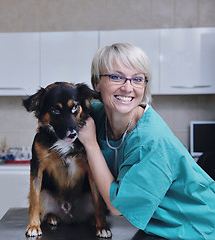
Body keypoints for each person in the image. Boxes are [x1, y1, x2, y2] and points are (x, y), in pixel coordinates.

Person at [78, 43, 215, 239]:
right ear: (96, 83)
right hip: (160, 224)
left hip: (195, 227)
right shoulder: (98, 114)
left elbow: (118, 207)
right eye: (116, 77)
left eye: (137, 79)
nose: (127, 87)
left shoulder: (151, 141)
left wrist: (90, 144)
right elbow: (65, 110)